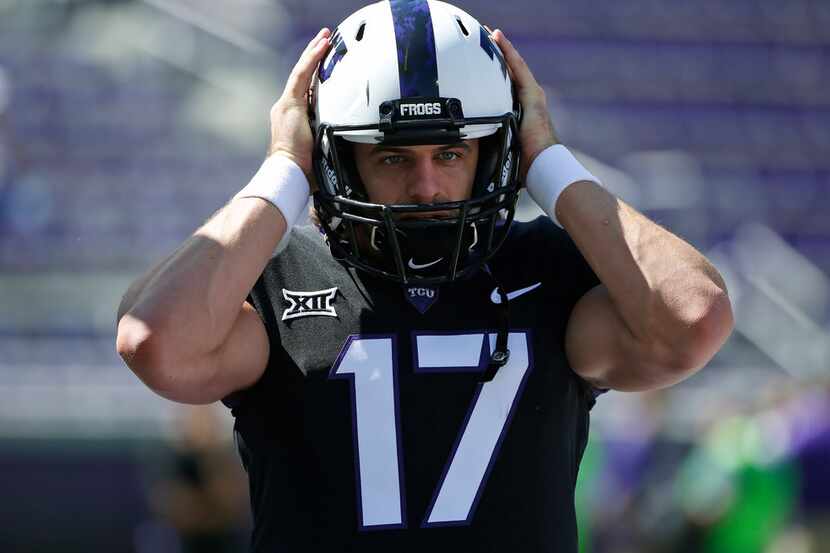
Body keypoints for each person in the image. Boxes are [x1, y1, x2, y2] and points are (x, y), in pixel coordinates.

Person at [116, 1, 734, 551]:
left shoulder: (548, 271)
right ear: (333, 158)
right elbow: (155, 342)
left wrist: (548, 162)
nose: (426, 186)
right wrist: (282, 172)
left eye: (450, 152)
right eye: (391, 157)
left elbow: (691, 319)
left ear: (497, 151)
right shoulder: (281, 276)